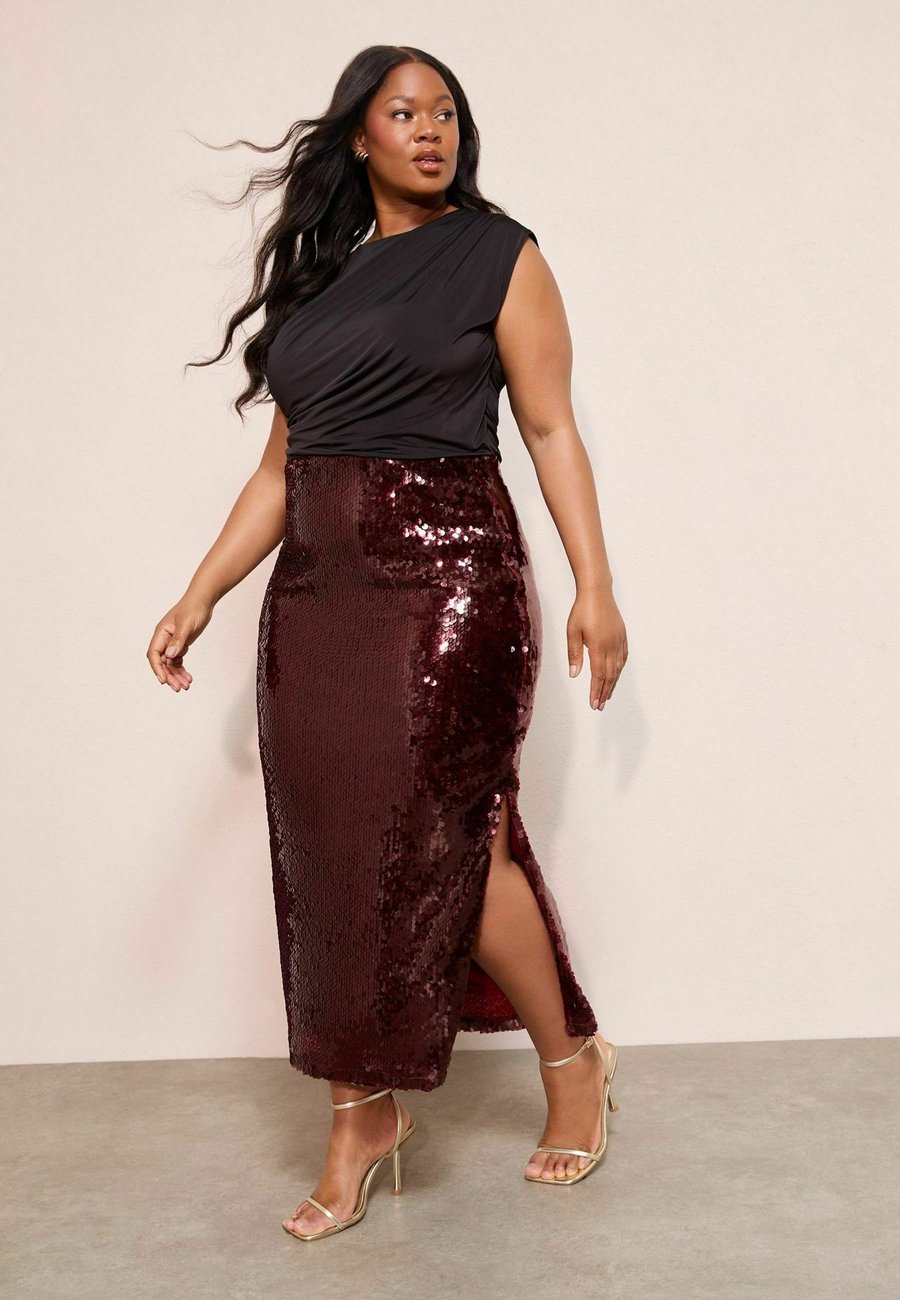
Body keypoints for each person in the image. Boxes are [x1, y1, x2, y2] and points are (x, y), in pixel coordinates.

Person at [147, 45, 628, 1242]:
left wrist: (597, 586)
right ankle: (362, 1117)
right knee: (327, 855)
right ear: (358, 137)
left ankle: (573, 1061)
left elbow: (551, 428)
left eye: (446, 112)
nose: (431, 130)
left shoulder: (500, 253)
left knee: (451, 844)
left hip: (449, 579)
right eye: (405, 112)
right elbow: (282, 469)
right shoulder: (320, 286)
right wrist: (200, 592)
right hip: (317, 600)